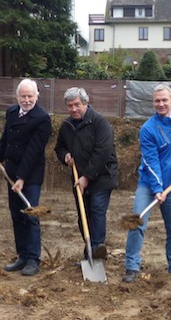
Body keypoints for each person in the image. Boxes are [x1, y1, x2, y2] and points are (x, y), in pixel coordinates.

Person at [122, 83, 171, 285]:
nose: (161, 104)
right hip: (148, 186)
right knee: (137, 223)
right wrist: (157, 190)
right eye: (157, 100)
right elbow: (150, 161)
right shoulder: (148, 129)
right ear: (153, 103)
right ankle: (131, 267)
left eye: (164, 100)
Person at [0, 79, 52, 276]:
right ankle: (23, 256)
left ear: (37, 96)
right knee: (16, 214)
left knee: (30, 215)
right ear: (17, 97)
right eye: (23, 96)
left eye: (30, 96)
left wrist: (22, 178)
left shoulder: (42, 118)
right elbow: (6, 139)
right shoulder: (11, 112)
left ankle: (34, 258)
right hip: (12, 170)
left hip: (31, 174)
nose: (26, 100)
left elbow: (34, 151)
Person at [54, 87, 118, 262]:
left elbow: (103, 152)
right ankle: (90, 250)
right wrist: (65, 155)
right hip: (79, 178)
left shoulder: (99, 123)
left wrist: (87, 177)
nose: (74, 109)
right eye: (70, 106)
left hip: (102, 177)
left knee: (97, 212)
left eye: (77, 105)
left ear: (86, 103)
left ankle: (96, 252)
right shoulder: (66, 126)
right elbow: (59, 147)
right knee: (84, 217)